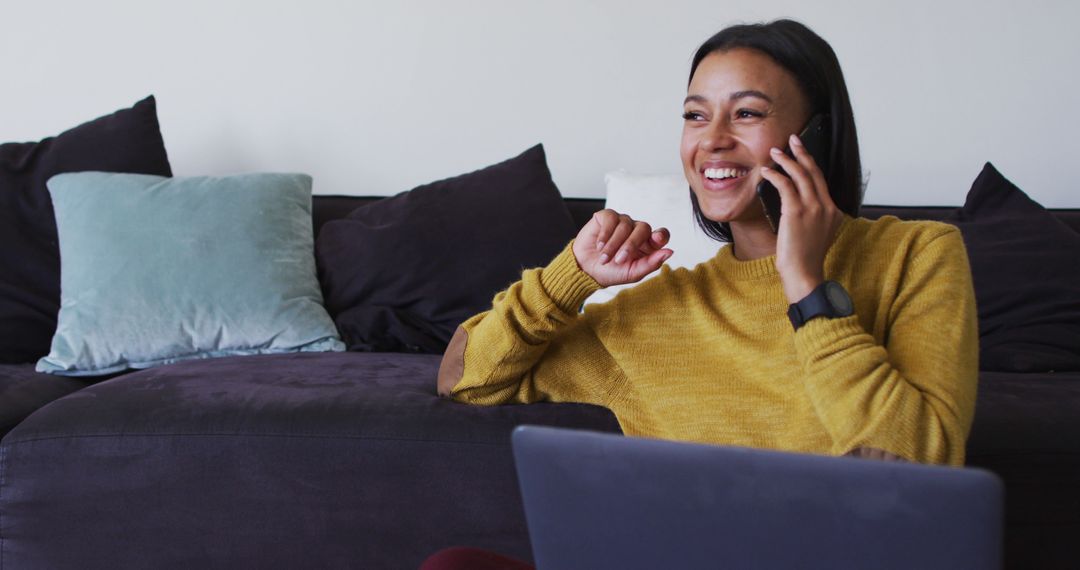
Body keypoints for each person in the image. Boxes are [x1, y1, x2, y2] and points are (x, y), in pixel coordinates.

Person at [423, 17, 978, 570]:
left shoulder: (918, 254)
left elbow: (917, 464)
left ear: (816, 135)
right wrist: (570, 276)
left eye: (747, 113)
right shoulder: (661, 311)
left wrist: (805, 284)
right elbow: (464, 378)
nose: (712, 140)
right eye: (695, 116)